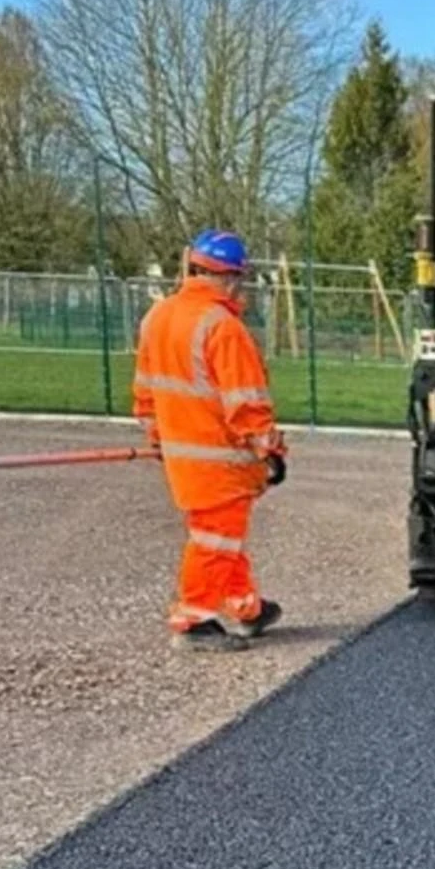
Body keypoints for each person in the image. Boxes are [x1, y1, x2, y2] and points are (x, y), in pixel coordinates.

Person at [132, 229, 288, 652]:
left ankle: (247, 609)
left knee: (219, 535)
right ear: (231, 277)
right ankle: (193, 620)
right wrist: (269, 450)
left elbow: (146, 391)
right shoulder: (222, 328)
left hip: (181, 454)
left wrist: (158, 437)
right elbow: (246, 402)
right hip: (220, 457)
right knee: (215, 539)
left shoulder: (158, 317)